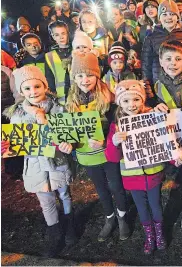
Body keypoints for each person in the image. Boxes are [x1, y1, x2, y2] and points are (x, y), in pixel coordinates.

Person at [2, 66, 76, 257]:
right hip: (35, 165)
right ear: (20, 91)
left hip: (58, 162)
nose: (33, 92)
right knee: (46, 201)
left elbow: (69, 134)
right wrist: (7, 144)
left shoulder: (59, 107)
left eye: (37, 86)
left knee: (64, 194)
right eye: (27, 89)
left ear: (45, 86)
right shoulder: (17, 115)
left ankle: (70, 224)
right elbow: (17, 142)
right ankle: (54, 233)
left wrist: (69, 144)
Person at [66, 52, 130, 242]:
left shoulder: (108, 100)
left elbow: (116, 126)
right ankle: (109, 218)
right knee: (101, 190)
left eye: (89, 75)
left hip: (107, 154)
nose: (85, 80)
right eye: (79, 75)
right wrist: (67, 143)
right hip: (87, 156)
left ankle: (122, 218)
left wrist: (106, 142)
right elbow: (67, 130)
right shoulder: (70, 103)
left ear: (97, 75)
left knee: (116, 186)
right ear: (74, 77)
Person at [106, 79, 168, 254]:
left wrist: (174, 158)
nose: (131, 105)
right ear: (120, 103)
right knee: (141, 207)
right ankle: (149, 235)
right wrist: (114, 142)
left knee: (156, 205)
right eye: (126, 101)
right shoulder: (117, 125)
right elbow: (111, 157)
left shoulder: (153, 118)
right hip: (132, 177)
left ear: (143, 100)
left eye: (136, 100)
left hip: (154, 173)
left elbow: (164, 142)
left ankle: (159, 233)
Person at [141, 0, 182, 105]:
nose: (168, 17)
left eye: (172, 14)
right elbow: (146, 64)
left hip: (181, 85)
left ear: (177, 17)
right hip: (159, 85)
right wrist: (148, 88)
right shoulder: (151, 37)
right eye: (164, 14)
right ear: (159, 17)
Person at [45, 21, 72, 104]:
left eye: (63, 33)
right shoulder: (49, 56)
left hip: (79, 94)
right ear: (53, 37)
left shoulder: (77, 50)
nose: (61, 37)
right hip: (61, 98)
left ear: (68, 33)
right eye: (57, 35)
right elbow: (49, 78)